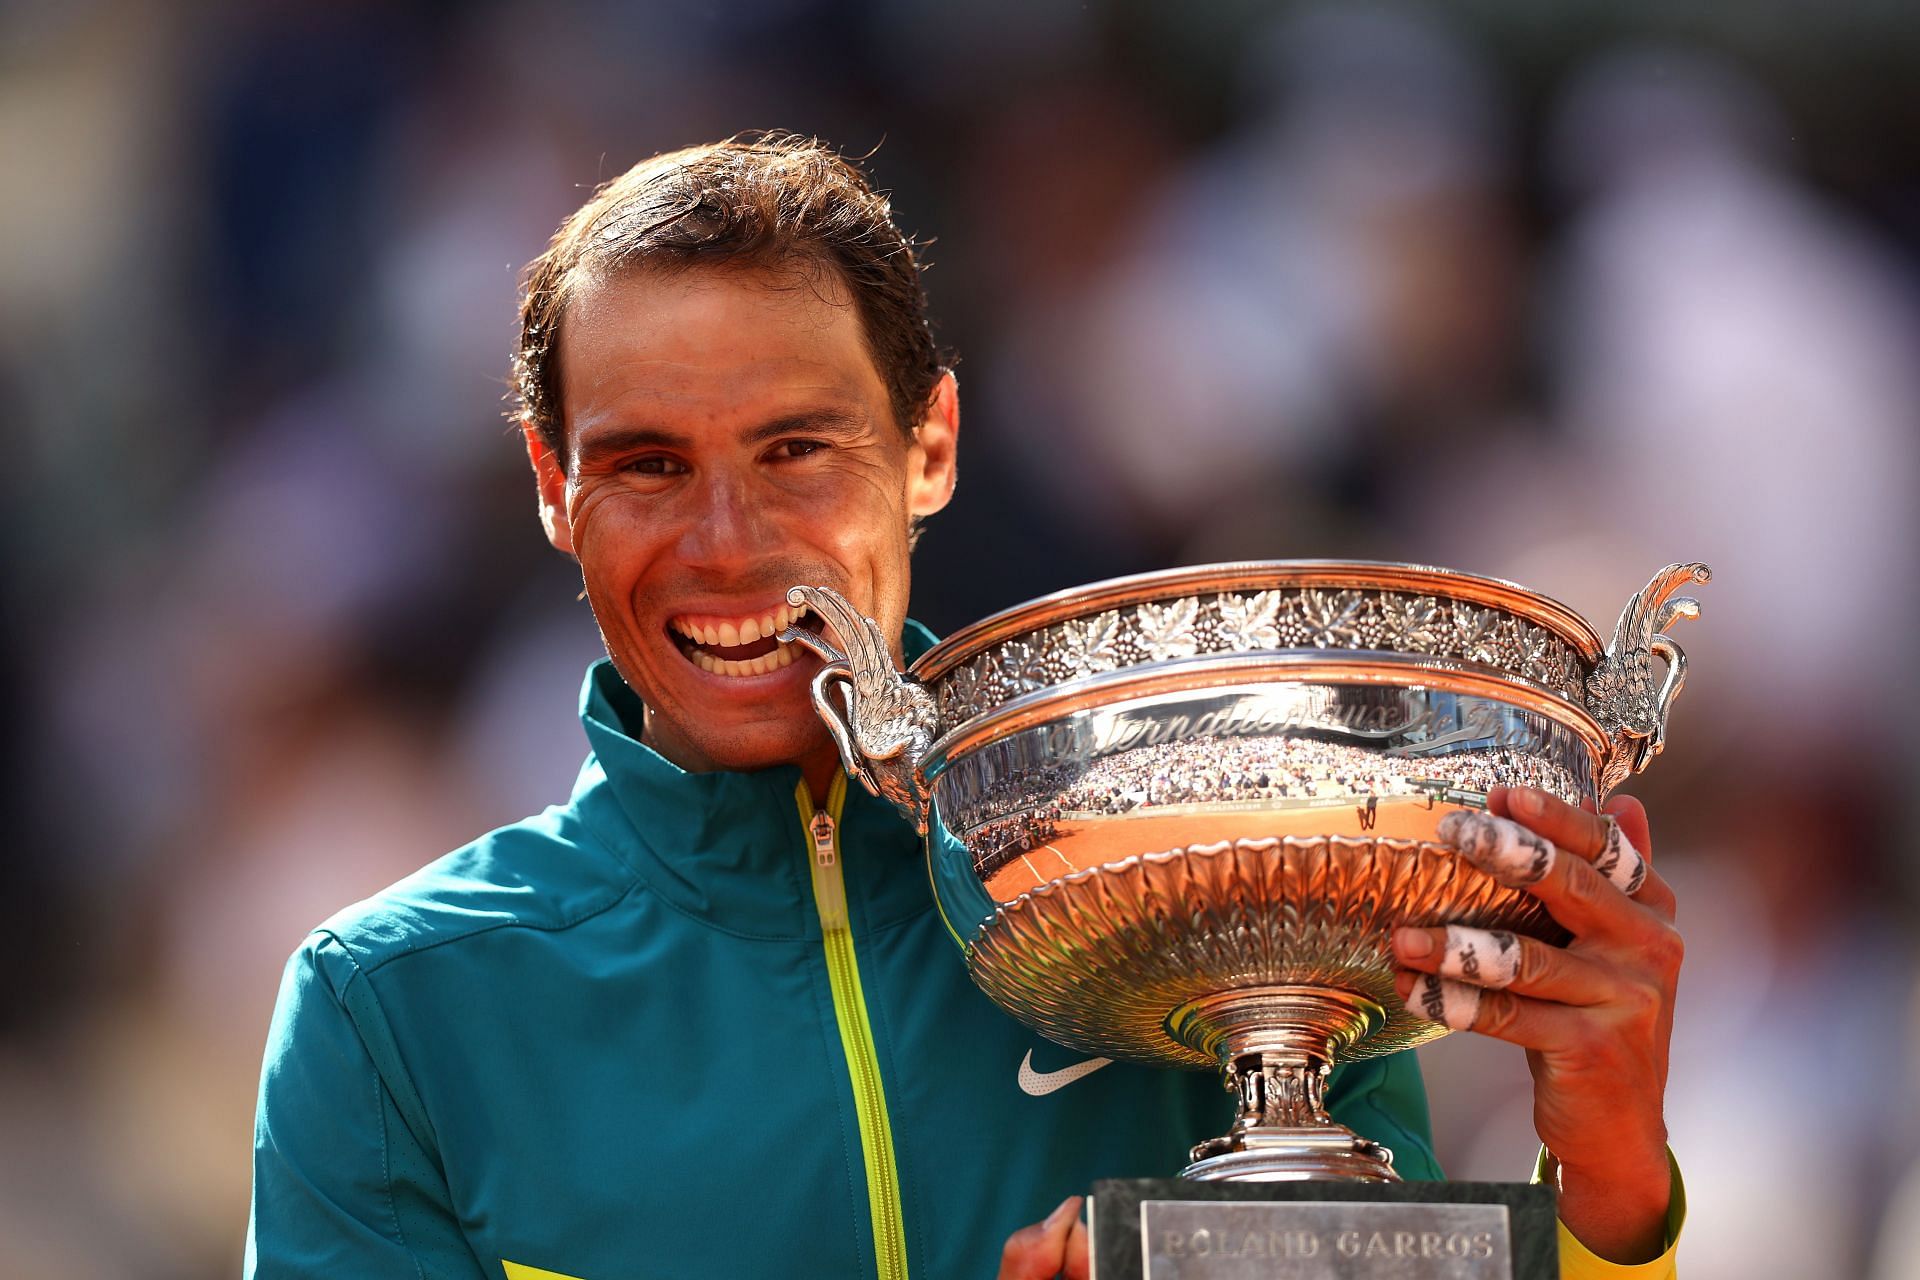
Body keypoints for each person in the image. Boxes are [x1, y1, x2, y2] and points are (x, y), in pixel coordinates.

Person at [246, 134, 1683, 1279]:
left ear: (929, 446)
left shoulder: (1222, 878)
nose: (728, 543)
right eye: (646, 467)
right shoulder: (397, 1015)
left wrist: (1615, 1202)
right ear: (554, 488)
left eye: (797, 449)